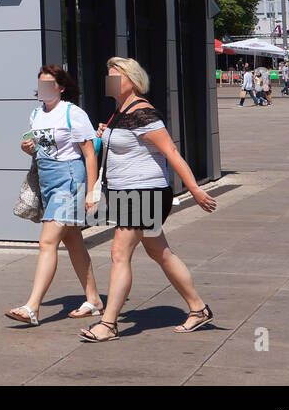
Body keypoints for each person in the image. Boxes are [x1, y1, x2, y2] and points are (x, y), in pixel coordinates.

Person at [79, 58, 217, 342]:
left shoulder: (144, 113)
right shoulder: (121, 110)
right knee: (160, 253)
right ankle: (199, 309)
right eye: (108, 75)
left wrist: (195, 189)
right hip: (128, 192)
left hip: (144, 193)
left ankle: (108, 324)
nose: (110, 80)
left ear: (132, 79)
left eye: (116, 75)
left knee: (119, 254)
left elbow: (172, 153)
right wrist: (106, 134)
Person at [5, 66, 104, 326]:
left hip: (69, 180)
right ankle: (94, 299)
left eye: (49, 84)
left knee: (47, 242)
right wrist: (28, 148)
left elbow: (89, 153)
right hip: (48, 181)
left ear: (61, 87)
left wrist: (92, 191)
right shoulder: (36, 115)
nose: (44, 89)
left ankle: (32, 307)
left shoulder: (73, 113)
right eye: (40, 84)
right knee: (73, 242)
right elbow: (41, 151)